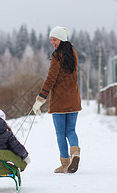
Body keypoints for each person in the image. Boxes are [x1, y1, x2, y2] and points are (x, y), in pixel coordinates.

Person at [32, 26, 82, 173]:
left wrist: (40, 98)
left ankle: (65, 163)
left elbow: (51, 79)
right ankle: (76, 152)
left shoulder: (57, 56)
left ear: (61, 38)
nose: (52, 42)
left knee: (60, 133)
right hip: (74, 99)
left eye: (54, 39)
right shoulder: (73, 54)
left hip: (60, 101)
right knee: (71, 130)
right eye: (51, 40)